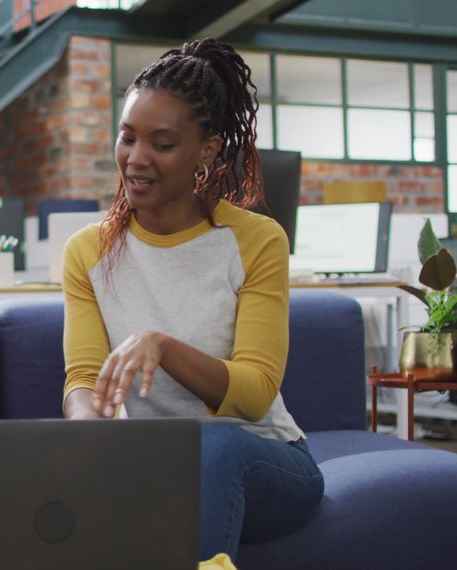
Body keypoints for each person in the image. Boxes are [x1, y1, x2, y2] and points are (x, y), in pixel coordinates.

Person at [61, 39, 323, 561]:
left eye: (161, 144)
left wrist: (162, 346)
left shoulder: (256, 241)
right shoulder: (88, 252)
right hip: (157, 464)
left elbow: (254, 392)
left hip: (266, 460)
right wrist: (89, 432)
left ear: (207, 150)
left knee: (214, 447)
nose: (136, 159)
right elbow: (83, 381)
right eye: (127, 137)